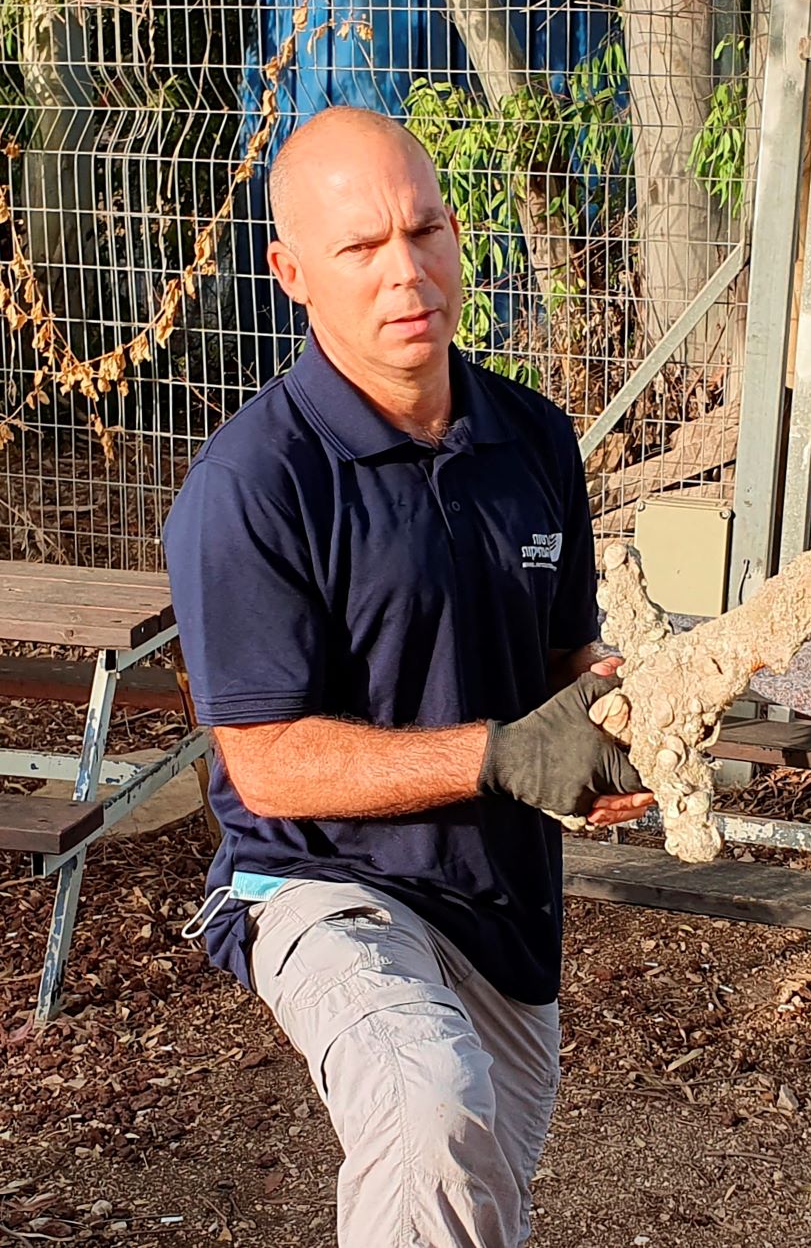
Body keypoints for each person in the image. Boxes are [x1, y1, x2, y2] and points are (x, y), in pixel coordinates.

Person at [165, 105, 653, 1247]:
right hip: (318, 887)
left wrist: (623, 719)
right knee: (430, 1103)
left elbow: (562, 661)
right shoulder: (254, 485)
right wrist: (502, 755)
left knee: (473, 1203)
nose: (407, 272)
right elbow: (268, 765)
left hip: (503, 906)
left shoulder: (533, 438)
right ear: (292, 272)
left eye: (425, 230)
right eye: (362, 247)